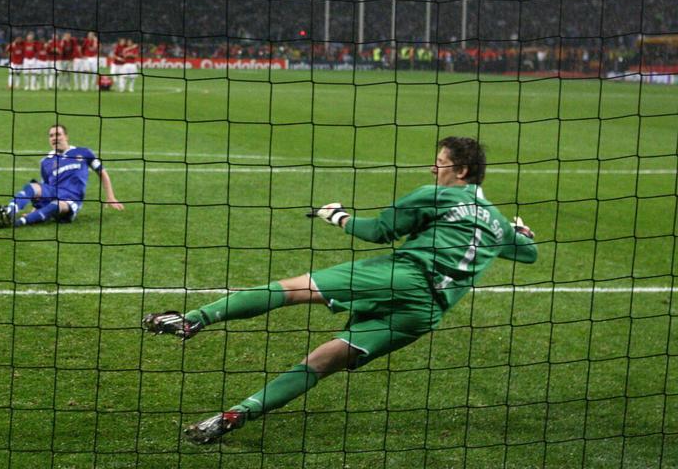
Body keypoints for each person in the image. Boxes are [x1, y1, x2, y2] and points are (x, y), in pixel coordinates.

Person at [143, 136, 539, 444]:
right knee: (321, 362)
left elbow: (379, 232)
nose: (434, 170)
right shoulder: (497, 223)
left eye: (440, 164)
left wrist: (336, 215)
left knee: (290, 290)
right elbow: (529, 252)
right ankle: (234, 416)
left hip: (403, 276)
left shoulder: (439, 195)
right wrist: (521, 232)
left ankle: (192, 320)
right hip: (424, 314)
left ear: (463, 171)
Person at [0, 124, 124, 228]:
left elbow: (102, 172)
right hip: (54, 192)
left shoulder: (84, 152)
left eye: (58, 134)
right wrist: (35, 209)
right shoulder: (46, 161)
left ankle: (18, 222)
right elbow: (44, 188)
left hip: (71, 199)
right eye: (51, 136)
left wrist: (110, 196)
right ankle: (9, 211)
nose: (54, 138)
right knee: (32, 187)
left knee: (57, 205)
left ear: (66, 136)